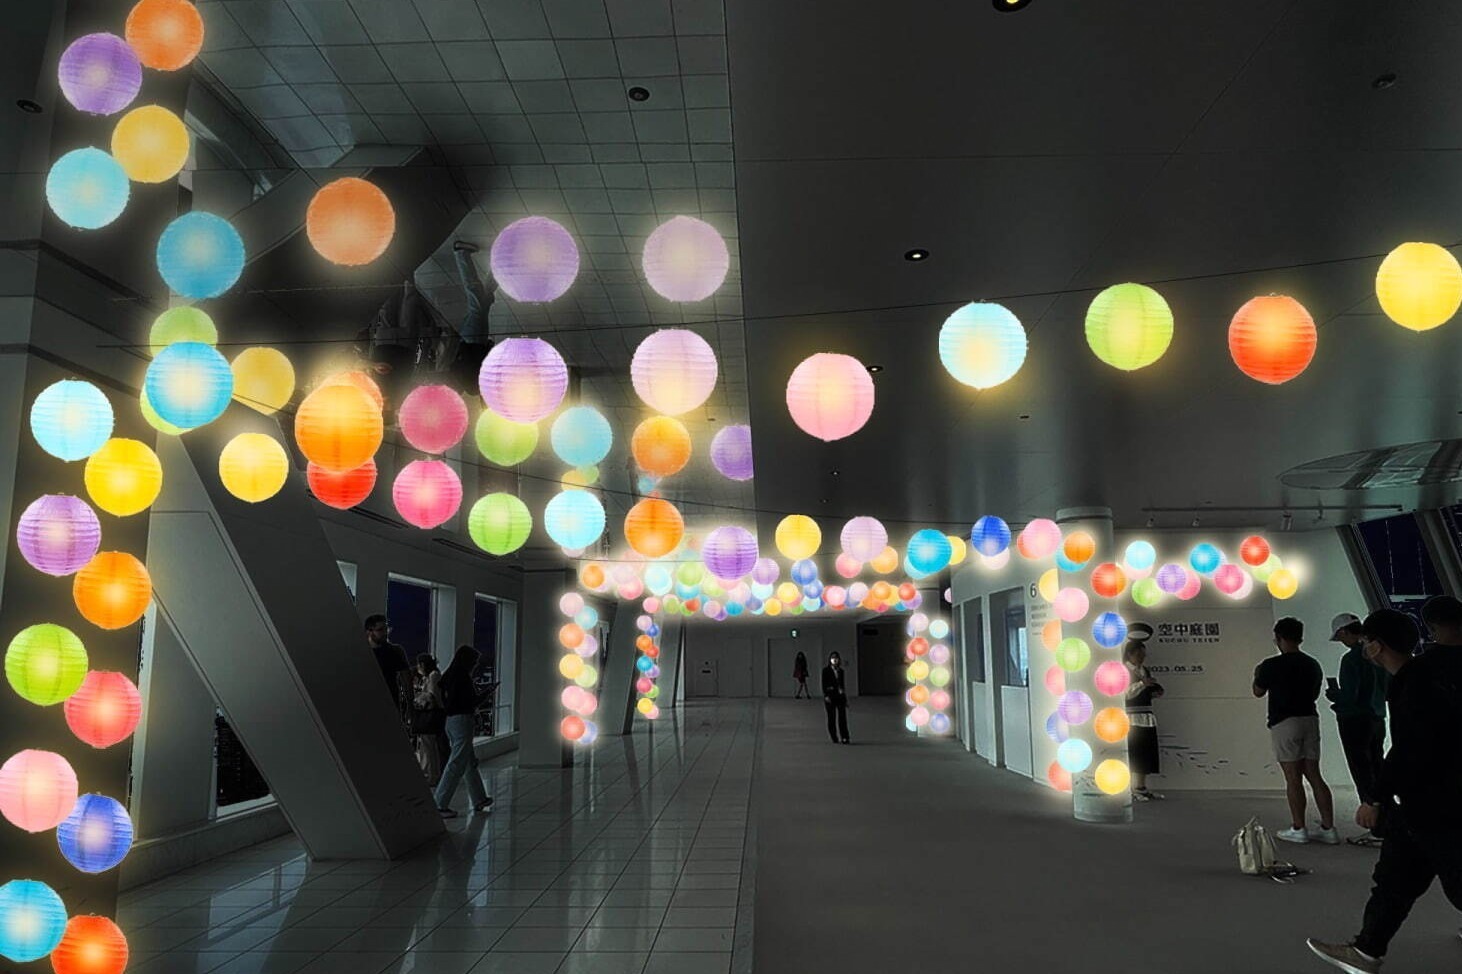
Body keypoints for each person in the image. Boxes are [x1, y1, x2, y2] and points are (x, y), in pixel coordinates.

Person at [1306, 609, 1462, 974]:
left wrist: (1375, 797)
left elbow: (1410, 748)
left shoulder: (1414, 682)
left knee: (1443, 882)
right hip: (1425, 805)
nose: (1363, 647)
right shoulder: (1424, 676)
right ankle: (1365, 951)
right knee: (1394, 881)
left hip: (1436, 805)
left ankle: (1366, 951)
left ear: (1378, 646)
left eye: (1366, 641)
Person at [1254, 617, 1337, 844]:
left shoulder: (1270, 665)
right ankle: (1329, 828)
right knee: (1314, 774)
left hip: (1284, 722)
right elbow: (1314, 693)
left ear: (1278, 638)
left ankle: (1299, 828)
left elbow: (1258, 691)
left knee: (1292, 777)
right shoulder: (1312, 664)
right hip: (1309, 719)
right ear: (1300, 637)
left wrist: (1257, 673)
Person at [1326, 612, 1389, 840]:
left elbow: (1350, 697)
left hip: (1354, 721)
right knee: (1377, 767)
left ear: (1344, 632)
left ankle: (1376, 825)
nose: (1341, 642)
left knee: (1362, 771)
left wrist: (1334, 694)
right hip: (1377, 719)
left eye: (1340, 637)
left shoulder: (1351, 659)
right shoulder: (1377, 655)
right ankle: (1387, 819)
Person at [433, 645, 493, 818]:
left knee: (467, 761)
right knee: (458, 762)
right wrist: (486, 693)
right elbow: (470, 702)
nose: (475, 665)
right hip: (462, 721)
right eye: (474, 662)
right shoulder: (463, 678)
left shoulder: (449, 676)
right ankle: (440, 803)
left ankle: (479, 798)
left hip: (451, 721)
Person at [1122, 625, 1164, 801]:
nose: (1142, 658)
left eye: (1143, 655)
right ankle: (1131, 789)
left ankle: (1141, 786)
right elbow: (1125, 693)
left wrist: (1154, 691)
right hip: (1131, 716)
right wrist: (1142, 685)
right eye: (1139, 655)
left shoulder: (1144, 670)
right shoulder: (1123, 670)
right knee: (1135, 752)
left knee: (1146, 752)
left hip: (1146, 715)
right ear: (1130, 654)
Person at [411, 655, 448, 786]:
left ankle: (433, 776)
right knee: (428, 747)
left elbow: (432, 697)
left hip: (430, 717)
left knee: (429, 747)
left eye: (419, 665)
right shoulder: (433, 675)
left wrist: (418, 698)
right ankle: (429, 774)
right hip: (433, 716)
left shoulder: (433, 676)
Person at [365, 615, 410, 720]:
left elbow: (406, 680)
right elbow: (406, 678)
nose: (385, 633)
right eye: (380, 630)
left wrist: (409, 706)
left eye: (386, 629)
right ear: (369, 632)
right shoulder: (394, 651)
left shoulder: (395, 651)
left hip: (389, 702)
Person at [822, 652, 850, 744]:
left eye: (836, 658)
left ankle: (845, 737)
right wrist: (826, 695)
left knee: (842, 717)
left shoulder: (841, 671)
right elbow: (824, 684)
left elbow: (842, 686)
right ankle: (834, 737)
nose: (835, 660)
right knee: (832, 718)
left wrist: (845, 699)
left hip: (840, 697)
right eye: (833, 658)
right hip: (830, 697)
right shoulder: (826, 671)